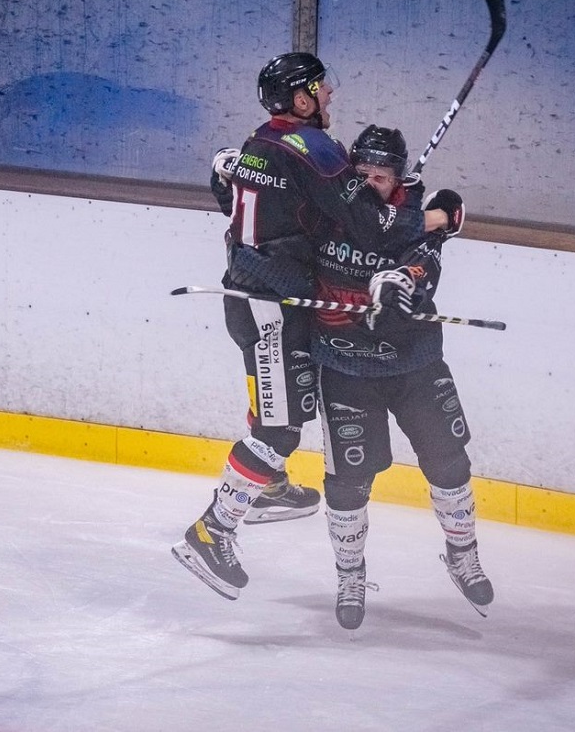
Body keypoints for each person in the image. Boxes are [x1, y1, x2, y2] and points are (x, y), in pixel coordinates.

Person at [171, 53, 445, 601]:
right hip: (270, 303)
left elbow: (234, 194)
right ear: (300, 99)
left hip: (255, 294)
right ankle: (211, 532)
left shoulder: (260, 140)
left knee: (281, 405)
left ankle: (267, 485)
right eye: (320, 88)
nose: (328, 96)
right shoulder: (316, 149)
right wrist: (431, 217)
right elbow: (367, 225)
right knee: (280, 428)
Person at [311, 124, 491, 629]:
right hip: (345, 366)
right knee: (347, 482)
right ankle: (350, 573)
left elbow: (426, 257)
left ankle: (461, 555)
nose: (371, 183)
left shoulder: (421, 212)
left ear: (400, 177)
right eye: (363, 173)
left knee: (449, 462)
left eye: (382, 176)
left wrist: (402, 282)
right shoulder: (328, 206)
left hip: (414, 363)